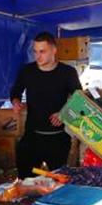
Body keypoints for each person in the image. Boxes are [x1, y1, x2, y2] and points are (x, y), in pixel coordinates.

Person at [8, 32, 82, 178]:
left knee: (58, 182)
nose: (38, 56)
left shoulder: (67, 73)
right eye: (35, 51)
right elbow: (15, 92)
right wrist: (16, 102)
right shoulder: (27, 71)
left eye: (42, 51)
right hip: (32, 137)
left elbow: (79, 99)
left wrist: (64, 113)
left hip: (58, 139)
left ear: (53, 50)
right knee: (26, 181)